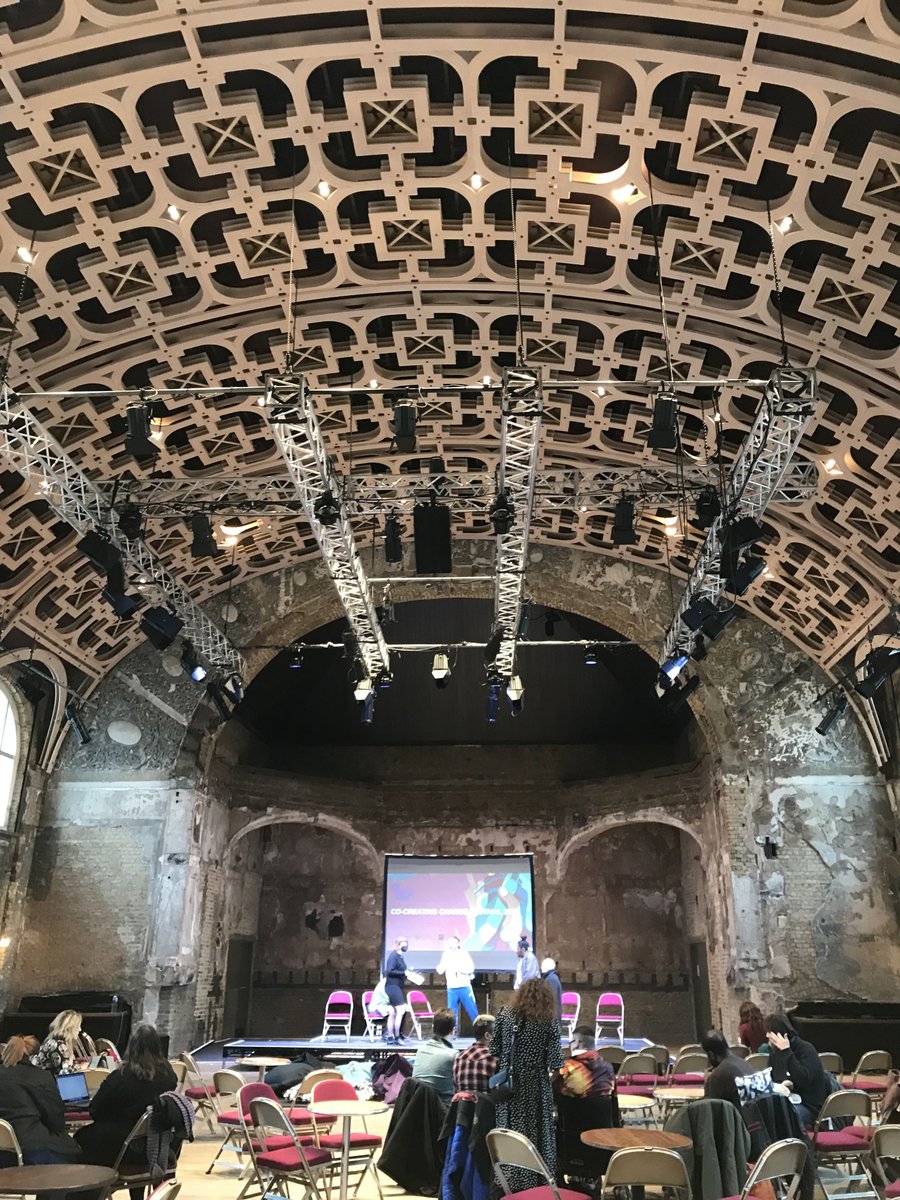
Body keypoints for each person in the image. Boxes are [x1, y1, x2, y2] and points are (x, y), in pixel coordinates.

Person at [491, 978, 563, 1190]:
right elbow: (556, 1062)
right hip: (536, 1086)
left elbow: (494, 1049)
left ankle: (509, 1181)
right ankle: (537, 1181)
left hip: (509, 1086)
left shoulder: (505, 1014)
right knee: (536, 1134)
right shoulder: (548, 1020)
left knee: (510, 1131)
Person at [75, 1024, 178, 1168]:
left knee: (79, 1139)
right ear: (157, 1047)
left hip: (120, 1145)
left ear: (132, 1047)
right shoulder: (169, 1076)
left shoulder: (121, 1076)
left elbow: (95, 1110)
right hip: (156, 1143)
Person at [0, 1036, 81, 1164]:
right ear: (34, 1057)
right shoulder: (41, 1076)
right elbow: (56, 1120)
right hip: (33, 1149)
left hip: (5, 1151)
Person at [765, 1014, 831, 1126]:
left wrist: (786, 1052)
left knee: (780, 1118)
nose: (767, 1035)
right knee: (762, 1114)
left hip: (809, 1106)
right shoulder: (775, 1052)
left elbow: (803, 1079)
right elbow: (773, 1077)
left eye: (770, 1032)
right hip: (786, 1100)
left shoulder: (806, 1049)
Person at [554, 1026, 615, 1100]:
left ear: (576, 1044)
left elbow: (550, 1091)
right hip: (604, 1107)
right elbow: (613, 1097)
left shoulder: (566, 1065)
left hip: (574, 1106)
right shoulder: (608, 1066)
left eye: (571, 1042)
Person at [411, 1008, 457, 1104]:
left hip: (417, 1106)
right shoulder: (453, 1055)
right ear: (453, 1031)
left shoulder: (421, 1050)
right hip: (444, 1108)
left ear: (433, 1027)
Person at [701, 1030, 754, 1108]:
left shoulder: (719, 1074)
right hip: (753, 1113)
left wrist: (708, 1083)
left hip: (738, 1115)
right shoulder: (744, 1063)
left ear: (711, 1055)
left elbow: (709, 1108)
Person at [436, 935, 478, 1025]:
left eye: (453, 942)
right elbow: (441, 968)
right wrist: (440, 968)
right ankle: (452, 1030)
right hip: (452, 987)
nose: (451, 944)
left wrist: (459, 969)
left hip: (464, 986)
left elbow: (471, 968)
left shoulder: (463, 953)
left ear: (458, 944)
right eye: (449, 943)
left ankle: (479, 1027)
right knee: (451, 1011)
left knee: (471, 1008)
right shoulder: (446, 954)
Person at [452, 1014, 497, 1094]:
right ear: (487, 1036)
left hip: (462, 1102)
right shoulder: (494, 1057)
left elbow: (456, 1089)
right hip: (488, 1102)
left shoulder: (459, 1058)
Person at [31, 1009, 82, 1077]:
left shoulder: (54, 1042)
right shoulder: (58, 1046)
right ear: (69, 1028)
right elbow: (67, 1074)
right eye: (77, 1026)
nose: (80, 1029)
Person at [384, 935, 412, 1045]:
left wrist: (407, 974)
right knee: (400, 1010)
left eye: (406, 943)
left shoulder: (400, 957)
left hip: (397, 986)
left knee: (392, 1012)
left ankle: (391, 1036)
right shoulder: (393, 956)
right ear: (398, 944)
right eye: (404, 943)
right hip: (392, 986)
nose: (406, 945)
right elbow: (389, 971)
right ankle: (396, 1036)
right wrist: (403, 973)